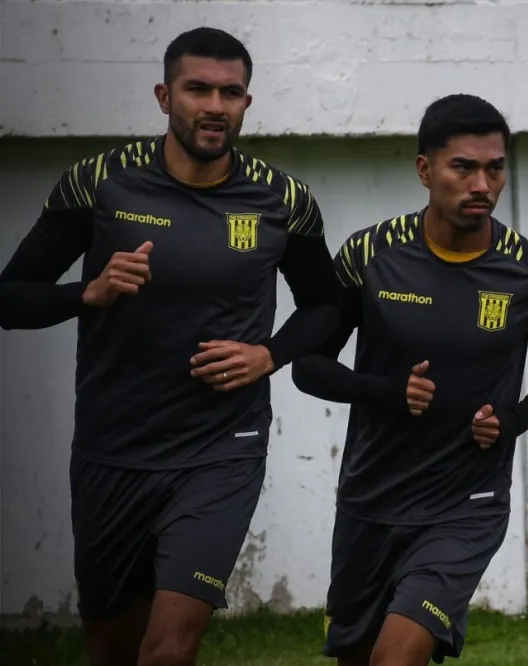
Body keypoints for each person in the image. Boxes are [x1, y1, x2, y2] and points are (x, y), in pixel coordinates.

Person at [0, 27, 340, 666]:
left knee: (168, 650)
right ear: (164, 96)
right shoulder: (99, 182)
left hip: (221, 450)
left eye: (231, 92)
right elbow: (10, 298)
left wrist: (269, 355)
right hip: (113, 450)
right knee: (112, 648)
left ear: (246, 102)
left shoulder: (283, 201)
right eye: (198, 89)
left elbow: (327, 304)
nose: (215, 105)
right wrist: (87, 294)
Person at [289, 93, 528, 666]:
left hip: (466, 503)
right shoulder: (370, 254)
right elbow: (308, 366)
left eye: (495, 167)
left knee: (396, 657)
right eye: (463, 167)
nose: (482, 184)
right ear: (425, 169)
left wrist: (516, 419)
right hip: (371, 498)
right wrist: (385, 391)